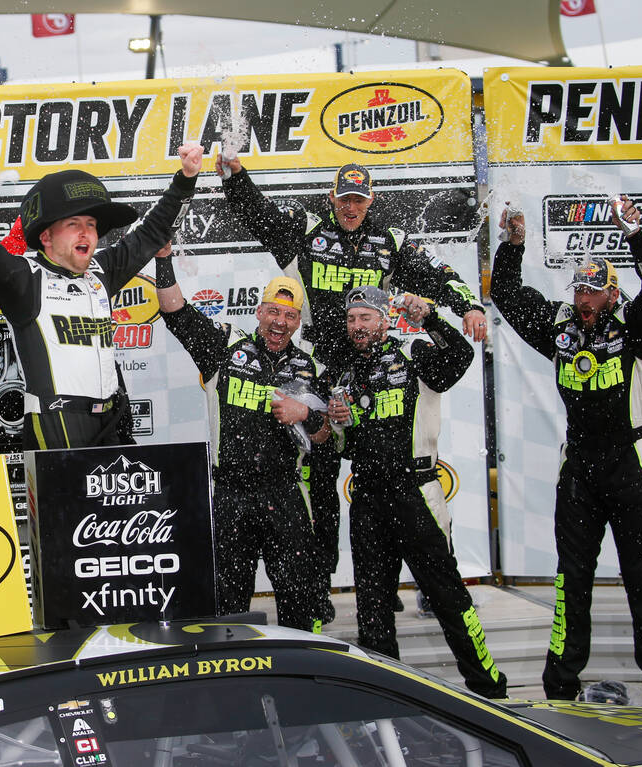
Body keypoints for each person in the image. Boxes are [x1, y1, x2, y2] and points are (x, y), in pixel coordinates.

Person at [217, 155, 488, 621]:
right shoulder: (307, 231)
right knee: (317, 483)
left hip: (373, 364)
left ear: (370, 200)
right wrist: (234, 176)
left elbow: (437, 274)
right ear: (332, 198)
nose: (350, 207)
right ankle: (319, 587)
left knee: (399, 465)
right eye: (344, 199)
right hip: (321, 371)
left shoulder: (390, 241)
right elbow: (259, 214)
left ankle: (424, 577)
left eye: (359, 200)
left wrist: (469, 306)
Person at [0, 132, 203, 449]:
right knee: (68, 500)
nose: (86, 232)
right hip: (55, 423)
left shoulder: (102, 271)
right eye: (73, 224)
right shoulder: (23, 279)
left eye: (92, 224)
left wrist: (186, 178)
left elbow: (154, 231)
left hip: (111, 418)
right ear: (46, 237)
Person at [490, 197, 642, 700]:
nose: (585, 298)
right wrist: (513, 245)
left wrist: (636, 236)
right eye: (580, 288)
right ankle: (561, 685)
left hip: (632, 465)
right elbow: (509, 296)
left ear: (613, 294)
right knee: (570, 580)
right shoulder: (561, 329)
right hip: (579, 467)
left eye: (595, 291)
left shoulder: (635, 327)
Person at [326, 285, 506, 699]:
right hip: (368, 496)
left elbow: (460, 357)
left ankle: (492, 691)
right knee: (372, 608)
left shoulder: (415, 352)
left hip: (416, 491)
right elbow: (346, 444)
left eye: (365, 317)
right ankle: (385, 700)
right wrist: (339, 422)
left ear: (384, 321)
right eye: (352, 318)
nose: (357, 326)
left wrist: (430, 318)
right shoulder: (345, 374)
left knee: (447, 596)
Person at [156, 252, 329, 630]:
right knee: (230, 600)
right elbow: (174, 312)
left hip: (285, 491)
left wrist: (307, 414)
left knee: (297, 596)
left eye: (289, 316)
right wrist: (163, 258)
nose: (279, 323)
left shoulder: (311, 365)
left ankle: (297, 676)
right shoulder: (226, 347)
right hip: (232, 492)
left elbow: (324, 435)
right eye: (273, 312)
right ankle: (235, 675)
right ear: (259, 312)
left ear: (298, 321)